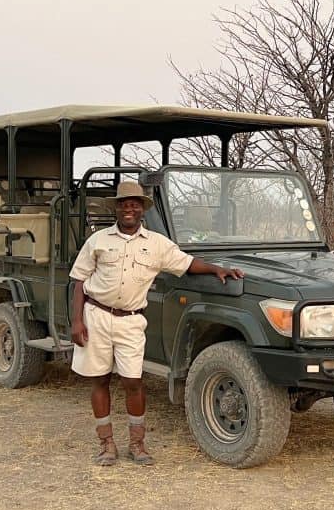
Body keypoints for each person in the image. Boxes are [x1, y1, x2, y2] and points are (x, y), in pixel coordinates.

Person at [69, 180, 244, 466]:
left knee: (134, 382)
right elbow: (79, 282)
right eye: (124, 203)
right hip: (97, 315)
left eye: (135, 204)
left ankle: (137, 444)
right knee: (99, 379)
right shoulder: (98, 241)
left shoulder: (157, 244)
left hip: (131, 320)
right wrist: (77, 321)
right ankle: (106, 444)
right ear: (117, 208)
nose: (129, 208)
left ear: (142, 210)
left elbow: (186, 263)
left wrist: (217, 270)